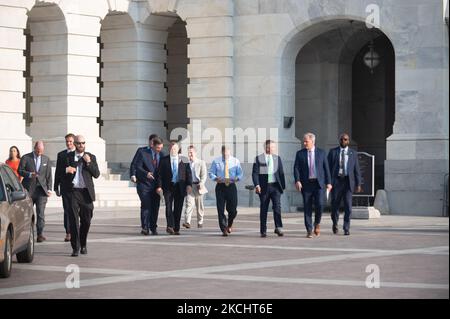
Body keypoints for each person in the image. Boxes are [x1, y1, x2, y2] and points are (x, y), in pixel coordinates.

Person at [63, 135, 100, 257]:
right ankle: (75, 247)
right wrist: (66, 171)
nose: (81, 145)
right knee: (73, 220)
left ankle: (83, 243)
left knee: (87, 221)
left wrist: (88, 162)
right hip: (72, 191)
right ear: (74, 144)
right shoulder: (68, 157)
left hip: (86, 193)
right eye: (78, 143)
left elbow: (96, 174)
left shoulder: (91, 157)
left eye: (83, 143)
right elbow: (60, 172)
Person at [293, 133, 332, 238]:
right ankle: (309, 230)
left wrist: (329, 183)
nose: (304, 143)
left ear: (312, 141)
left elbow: (326, 169)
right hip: (306, 184)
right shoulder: (300, 154)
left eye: (306, 141)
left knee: (320, 205)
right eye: (304, 141)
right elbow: (296, 168)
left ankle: (317, 223)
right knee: (307, 207)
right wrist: (297, 180)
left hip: (319, 184)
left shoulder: (321, 153)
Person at [327, 133, 362, 236]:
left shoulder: (353, 153)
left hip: (348, 182)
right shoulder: (333, 152)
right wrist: (328, 182)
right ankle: (335, 223)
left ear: (348, 141)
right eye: (342, 139)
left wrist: (358, 183)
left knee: (348, 207)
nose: (343, 141)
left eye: (345, 139)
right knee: (335, 206)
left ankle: (346, 227)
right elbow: (328, 169)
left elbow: (357, 170)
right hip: (336, 182)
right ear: (339, 140)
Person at [18, 141, 52, 242]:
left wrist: (49, 189)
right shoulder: (26, 157)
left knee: (41, 213)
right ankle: (27, 234)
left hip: (41, 190)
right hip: (29, 189)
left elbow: (49, 175)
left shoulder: (46, 159)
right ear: (34, 148)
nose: (39, 153)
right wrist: (29, 174)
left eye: (41, 151)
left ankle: (40, 234)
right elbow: (20, 170)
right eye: (37, 151)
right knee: (27, 213)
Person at [157, 141, 192, 235]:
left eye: (175, 149)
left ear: (178, 149)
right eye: (172, 148)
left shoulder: (184, 159)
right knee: (168, 207)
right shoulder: (164, 160)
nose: (173, 150)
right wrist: (159, 186)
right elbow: (159, 175)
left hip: (180, 187)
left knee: (178, 208)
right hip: (168, 187)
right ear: (169, 149)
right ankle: (170, 226)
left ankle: (176, 227)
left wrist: (189, 185)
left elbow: (189, 173)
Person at [252, 140, 286, 237]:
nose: (273, 149)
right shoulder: (259, 159)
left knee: (277, 207)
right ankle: (263, 230)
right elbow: (255, 173)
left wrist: (282, 187)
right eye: (271, 147)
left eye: (274, 147)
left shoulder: (277, 158)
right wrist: (257, 185)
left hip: (275, 187)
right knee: (264, 208)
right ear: (266, 148)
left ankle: (278, 227)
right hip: (264, 187)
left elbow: (281, 173)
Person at [209, 145, 243, 236]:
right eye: (224, 153)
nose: (225, 154)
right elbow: (211, 173)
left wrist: (237, 178)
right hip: (220, 186)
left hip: (231, 186)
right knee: (220, 209)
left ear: (230, 152)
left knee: (233, 210)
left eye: (227, 152)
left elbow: (240, 173)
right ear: (222, 152)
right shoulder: (216, 161)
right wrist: (216, 178)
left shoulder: (235, 161)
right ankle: (224, 228)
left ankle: (230, 223)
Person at [135, 137, 164, 235]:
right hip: (144, 185)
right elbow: (137, 166)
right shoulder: (143, 153)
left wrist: (160, 186)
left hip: (156, 186)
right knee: (146, 205)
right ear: (153, 146)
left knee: (155, 207)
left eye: (161, 148)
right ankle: (145, 227)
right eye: (158, 148)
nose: (159, 150)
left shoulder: (162, 155)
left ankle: (153, 227)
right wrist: (146, 173)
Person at [54, 133, 76, 242]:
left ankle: (76, 231)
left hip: (77, 188)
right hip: (65, 187)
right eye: (67, 141)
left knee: (76, 210)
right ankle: (68, 232)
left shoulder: (79, 154)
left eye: (71, 141)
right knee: (67, 210)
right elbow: (58, 171)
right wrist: (55, 187)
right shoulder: (61, 155)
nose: (69, 143)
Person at [183, 145, 208, 229]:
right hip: (190, 186)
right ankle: (187, 222)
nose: (190, 154)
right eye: (188, 153)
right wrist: (187, 185)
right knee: (189, 204)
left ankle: (200, 222)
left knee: (199, 205)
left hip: (198, 186)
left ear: (195, 153)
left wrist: (201, 183)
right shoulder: (186, 163)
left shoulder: (201, 163)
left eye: (191, 152)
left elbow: (204, 175)